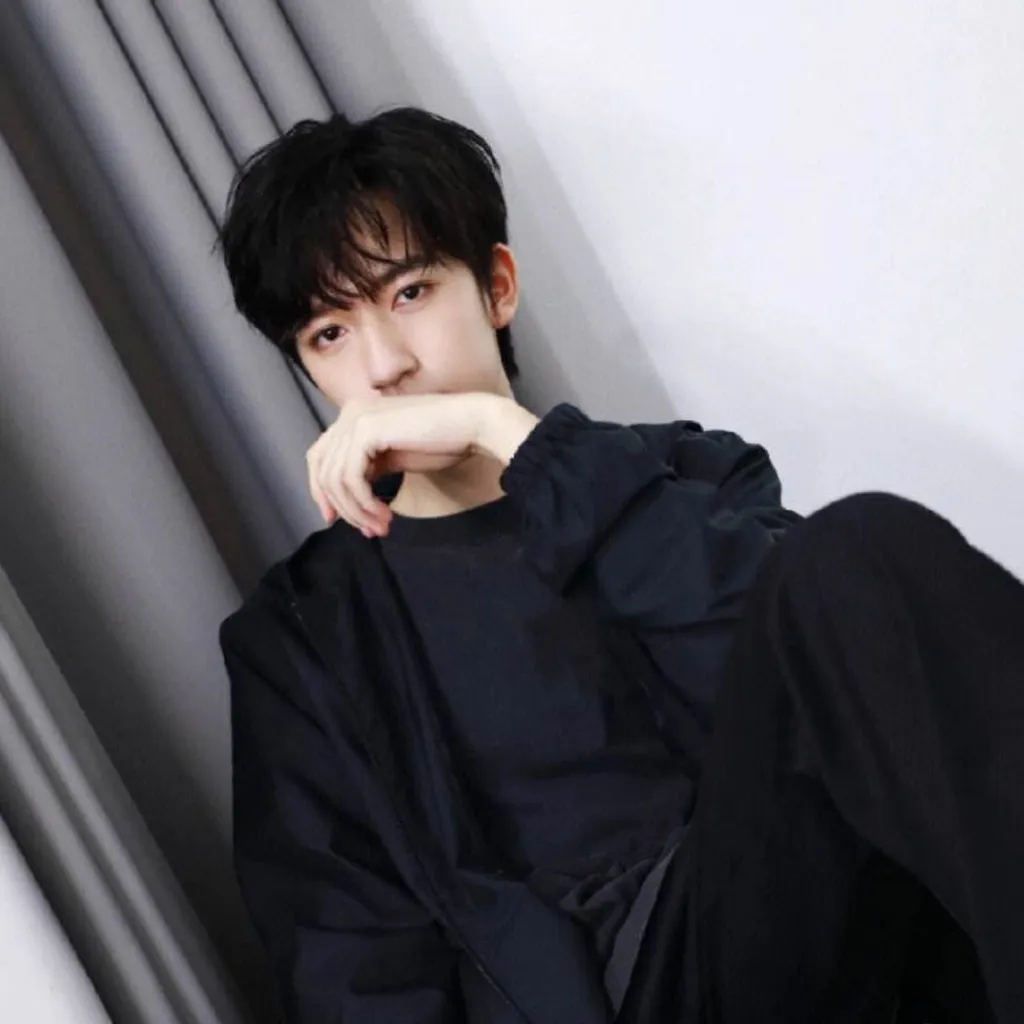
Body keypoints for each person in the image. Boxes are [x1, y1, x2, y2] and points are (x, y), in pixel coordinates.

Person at [216, 107, 1023, 1023]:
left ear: (497, 286)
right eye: (329, 333)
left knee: (859, 552)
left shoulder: (685, 474)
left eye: (410, 293)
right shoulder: (306, 640)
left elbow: (830, 698)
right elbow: (356, 971)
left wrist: (506, 435)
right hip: (634, 996)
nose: (385, 365)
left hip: (812, 908)